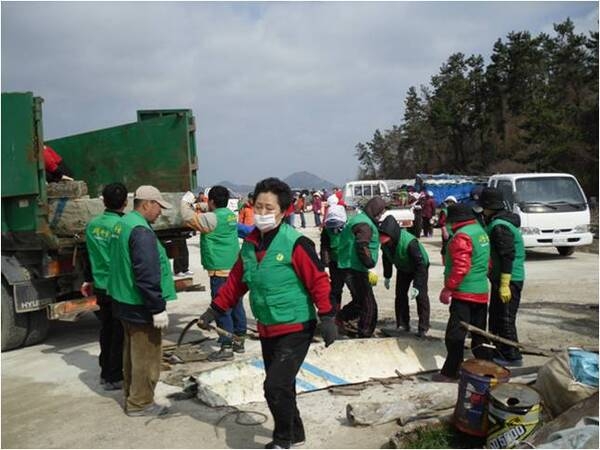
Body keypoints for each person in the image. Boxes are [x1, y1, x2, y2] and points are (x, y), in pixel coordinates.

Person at [196, 177, 336, 449]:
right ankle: (296, 433)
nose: (262, 213)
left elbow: (319, 280)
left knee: (274, 386)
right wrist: (214, 310)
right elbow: (236, 282)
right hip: (267, 327)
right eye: (258, 206)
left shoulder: (295, 243)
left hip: (296, 326)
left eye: (268, 208)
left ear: (283, 212)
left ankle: (283, 440)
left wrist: (328, 317)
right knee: (283, 385)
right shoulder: (249, 245)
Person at [107, 185, 176, 416]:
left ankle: (131, 395)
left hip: (123, 301)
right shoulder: (141, 231)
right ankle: (141, 403)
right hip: (140, 306)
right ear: (147, 204)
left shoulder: (123, 224)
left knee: (132, 355)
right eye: (158, 207)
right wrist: (157, 308)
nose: (160, 212)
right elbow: (146, 274)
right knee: (147, 357)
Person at [181, 185, 247, 361]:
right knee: (236, 304)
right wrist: (201, 205)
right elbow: (209, 211)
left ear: (211, 201)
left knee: (221, 307)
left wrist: (185, 202)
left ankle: (226, 346)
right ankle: (239, 340)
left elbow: (188, 218)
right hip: (233, 267)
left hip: (219, 269)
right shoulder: (229, 215)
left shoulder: (211, 219)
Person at [433, 203, 491, 382]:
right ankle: (484, 371)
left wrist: (448, 288)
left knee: (454, 336)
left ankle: (450, 372)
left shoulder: (461, 236)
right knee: (479, 335)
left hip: (464, 292)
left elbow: (461, 266)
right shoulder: (481, 232)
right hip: (481, 290)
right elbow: (488, 262)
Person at [80, 182, 128, 391]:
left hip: (100, 284)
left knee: (106, 328)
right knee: (119, 331)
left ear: (103, 201)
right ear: (126, 202)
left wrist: (88, 278)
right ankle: (114, 376)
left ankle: (105, 371)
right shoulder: (123, 227)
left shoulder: (92, 225)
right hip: (119, 286)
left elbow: (87, 255)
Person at [478, 187, 525, 367]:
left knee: (505, 317)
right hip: (501, 277)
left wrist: (505, 283)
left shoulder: (500, 227)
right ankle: (499, 349)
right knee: (497, 315)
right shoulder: (497, 221)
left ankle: (512, 355)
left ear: (489, 206)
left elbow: (507, 256)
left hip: (510, 278)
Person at [336, 197, 385, 338]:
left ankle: (341, 318)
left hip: (348, 265)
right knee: (369, 305)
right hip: (355, 268)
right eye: (380, 212)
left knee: (359, 301)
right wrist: (369, 263)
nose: (380, 216)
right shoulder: (364, 224)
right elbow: (362, 245)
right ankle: (365, 333)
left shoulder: (359, 218)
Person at [379, 216, 431, 337]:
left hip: (420, 266)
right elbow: (386, 259)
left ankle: (423, 327)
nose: (386, 244)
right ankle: (402, 324)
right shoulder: (385, 244)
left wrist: (417, 285)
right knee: (400, 295)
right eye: (384, 242)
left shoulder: (410, 242)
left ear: (393, 236)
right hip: (403, 267)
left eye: (387, 241)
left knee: (421, 296)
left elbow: (420, 265)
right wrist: (387, 276)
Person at [320, 201, 348, 313]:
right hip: (334, 262)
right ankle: (335, 313)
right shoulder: (326, 231)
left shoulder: (350, 228)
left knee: (355, 289)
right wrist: (325, 265)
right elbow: (325, 248)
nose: (334, 230)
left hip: (349, 262)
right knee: (335, 289)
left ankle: (351, 314)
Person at [439, 195, 458, 264]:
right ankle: (444, 262)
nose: (450, 204)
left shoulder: (455, 211)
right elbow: (441, 222)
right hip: (447, 231)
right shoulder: (444, 211)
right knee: (445, 246)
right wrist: (444, 231)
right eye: (449, 202)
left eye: (452, 202)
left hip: (454, 231)